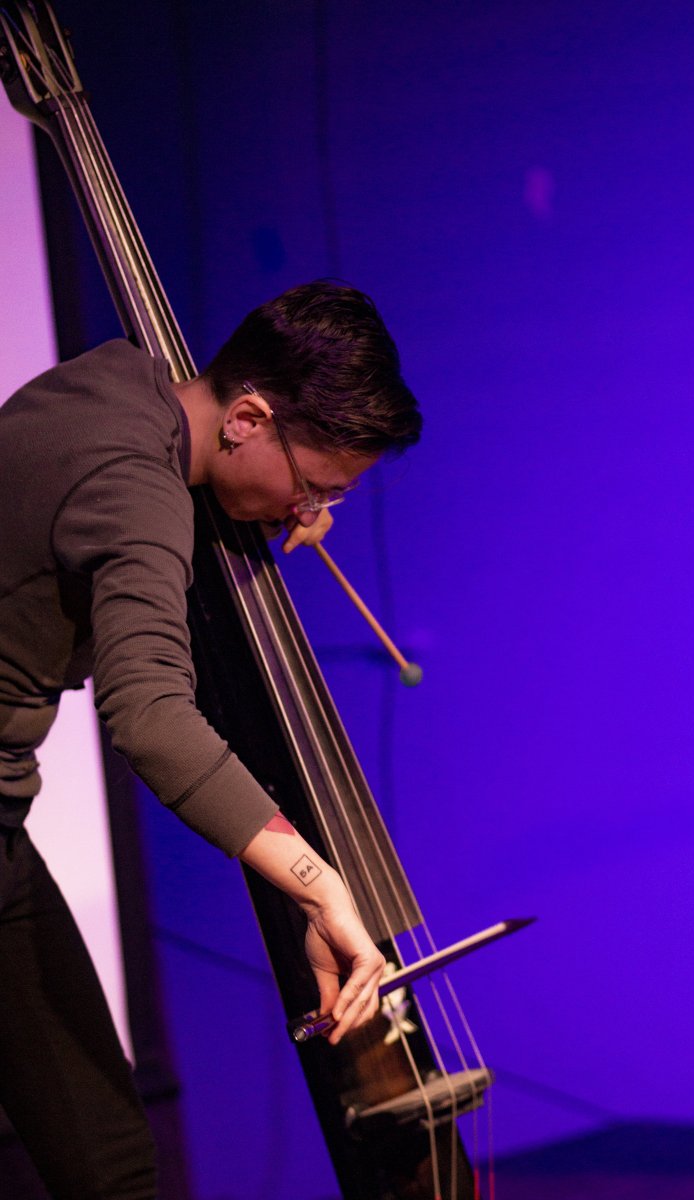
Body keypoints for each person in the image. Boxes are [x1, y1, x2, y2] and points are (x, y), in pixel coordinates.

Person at [0, 280, 422, 1199]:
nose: (306, 511)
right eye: (312, 486)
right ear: (247, 416)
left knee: (107, 1161)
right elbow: (150, 718)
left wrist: (277, 503)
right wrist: (322, 885)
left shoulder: (114, 385)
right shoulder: (136, 484)